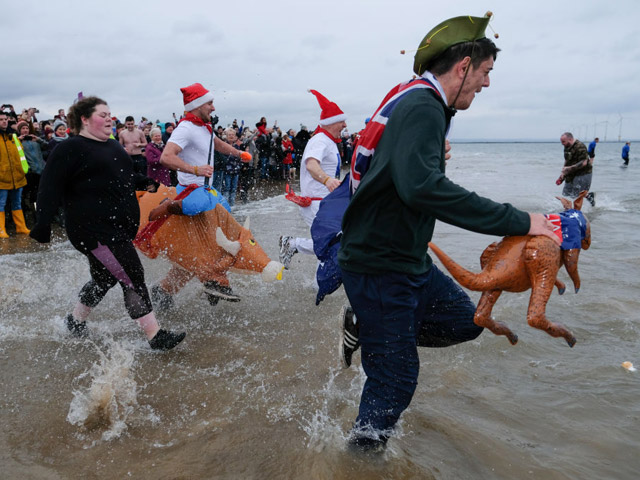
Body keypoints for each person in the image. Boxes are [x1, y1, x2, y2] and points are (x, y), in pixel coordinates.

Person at [335, 12, 562, 452]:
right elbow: (422, 188)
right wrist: (521, 221)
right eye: (486, 72)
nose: (487, 84)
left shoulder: (422, 104)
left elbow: (402, 173)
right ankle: (359, 460)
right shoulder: (423, 105)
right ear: (463, 67)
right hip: (380, 267)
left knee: (468, 321)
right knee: (397, 381)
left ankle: (371, 326)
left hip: (409, 262)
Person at [28, 96, 185, 351]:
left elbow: (118, 177)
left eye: (110, 114)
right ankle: (155, 336)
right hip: (93, 230)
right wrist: (42, 223)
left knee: (104, 278)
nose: (109, 118)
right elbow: (48, 186)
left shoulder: (112, 145)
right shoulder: (70, 148)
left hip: (116, 227)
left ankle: (75, 321)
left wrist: (142, 181)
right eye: (102, 114)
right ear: (84, 119)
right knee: (131, 274)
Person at [154, 83, 250, 300]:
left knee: (218, 235)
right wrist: (194, 169)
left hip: (207, 190)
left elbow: (215, 144)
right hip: (190, 192)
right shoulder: (185, 128)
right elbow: (166, 157)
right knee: (205, 244)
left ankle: (164, 291)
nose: (213, 108)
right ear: (197, 105)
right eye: (210, 103)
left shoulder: (204, 127)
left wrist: (237, 153)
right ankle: (213, 281)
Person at [279, 90, 346, 269]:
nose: (345, 125)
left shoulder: (329, 141)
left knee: (336, 243)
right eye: (342, 121)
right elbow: (311, 165)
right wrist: (327, 180)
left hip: (325, 202)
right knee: (333, 244)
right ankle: (292, 244)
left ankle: (317, 286)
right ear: (331, 122)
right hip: (315, 203)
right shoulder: (320, 140)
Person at [0, 112, 30, 238]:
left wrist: (22, 171)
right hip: (2, 178)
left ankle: (21, 227)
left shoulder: (13, 137)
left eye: (5, 119)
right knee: (1, 204)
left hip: (17, 176)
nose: (4, 121)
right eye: (1, 119)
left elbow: (21, 155)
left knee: (17, 203)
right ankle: (1, 229)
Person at [557, 132, 595, 206]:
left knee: (576, 194)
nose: (562, 144)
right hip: (571, 172)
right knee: (566, 193)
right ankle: (567, 209)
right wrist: (563, 173)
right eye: (561, 142)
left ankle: (588, 198)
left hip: (583, 172)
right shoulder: (566, 146)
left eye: (563, 141)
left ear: (570, 139)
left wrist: (569, 168)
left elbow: (584, 162)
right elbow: (567, 160)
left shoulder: (580, 146)